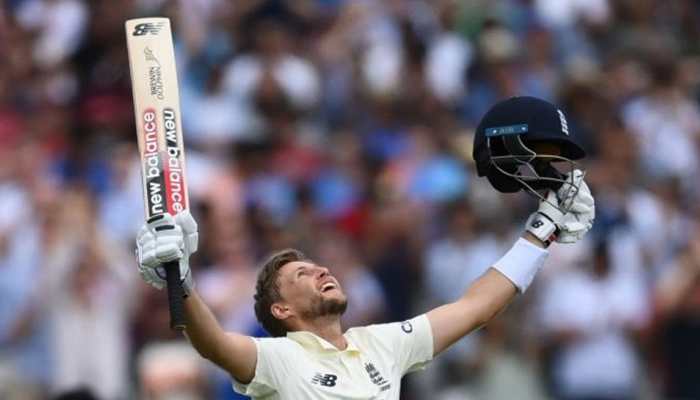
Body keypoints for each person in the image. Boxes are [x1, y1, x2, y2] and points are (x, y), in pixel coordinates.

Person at [135, 97, 595, 399]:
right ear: (281, 311)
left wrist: (543, 230)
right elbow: (213, 343)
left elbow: (476, 307)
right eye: (300, 276)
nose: (319, 272)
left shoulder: (381, 345)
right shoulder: (279, 360)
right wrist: (181, 277)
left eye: (316, 266)